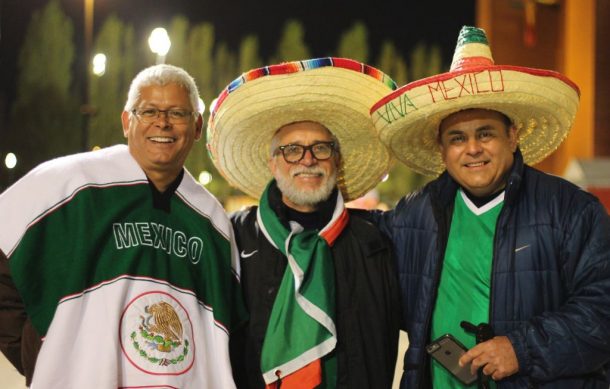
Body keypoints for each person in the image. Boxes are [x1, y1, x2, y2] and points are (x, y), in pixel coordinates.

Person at [368, 26, 610, 388]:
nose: (472, 149)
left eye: (485, 133)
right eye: (457, 138)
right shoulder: (411, 216)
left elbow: (602, 310)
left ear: (512, 136)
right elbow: (349, 242)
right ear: (442, 149)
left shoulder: (572, 211)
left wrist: (522, 349)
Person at [0, 64, 246, 388]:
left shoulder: (212, 219)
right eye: (149, 111)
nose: (163, 122)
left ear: (197, 126)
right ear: (127, 121)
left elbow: (230, 330)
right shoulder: (73, 184)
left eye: (178, 113)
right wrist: (35, 349)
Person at [207, 57, 401, 388]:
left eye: (320, 148)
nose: (307, 160)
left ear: (336, 161)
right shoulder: (233, 237)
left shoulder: (375, 240)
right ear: (272, 162)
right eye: (292, 150)